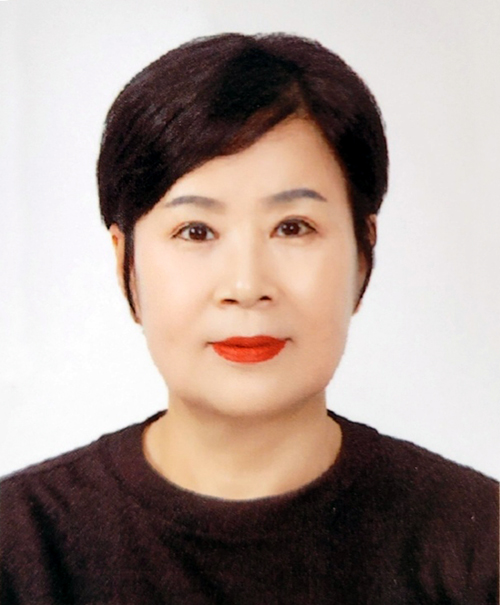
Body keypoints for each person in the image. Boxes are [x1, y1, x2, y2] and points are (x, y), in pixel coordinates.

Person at [0, 33, 497, 604]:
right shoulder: (20, 546)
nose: (246, 286)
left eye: (293, 227)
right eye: (196, 231)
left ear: (364, 253)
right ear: (124, 264)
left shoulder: (479, 546)